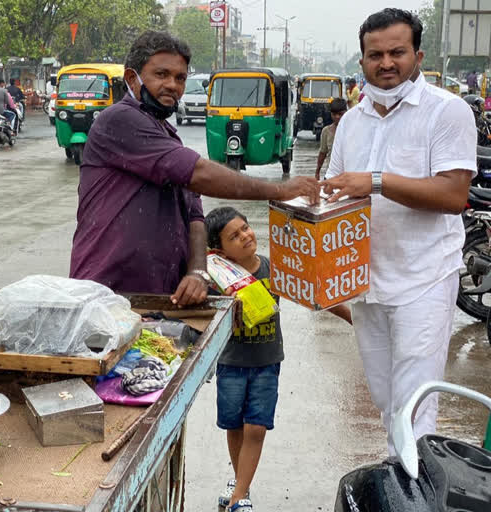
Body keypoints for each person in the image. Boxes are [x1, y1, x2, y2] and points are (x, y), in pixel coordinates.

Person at [69, 31, 319, 307]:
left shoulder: (168, 135)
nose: (172, 85)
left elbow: (195, 217)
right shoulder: (119, 119)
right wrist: (280, 190)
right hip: (108, 294)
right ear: (132, 79)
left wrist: (197, 272)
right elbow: (199, 175)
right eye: (161, 74)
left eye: (180, 78)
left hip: (159, 299)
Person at [323, 8, 476, 453]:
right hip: (367, 282)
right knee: (387, 401)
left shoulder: (447, 111)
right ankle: (402, 481)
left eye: (396, 52)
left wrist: (374, 181)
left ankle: (411, 491)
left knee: (414, 406)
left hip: (423, 279)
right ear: (362, 61)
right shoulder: (351, 122)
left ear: (418, 55)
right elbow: (335, 196)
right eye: (375, 55)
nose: (386, 63)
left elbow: (452, 195)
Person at [205, 207, 351, 512]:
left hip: (267, 362)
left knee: (256, 428)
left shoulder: (274, 270)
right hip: (230, 363)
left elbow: (313, 292)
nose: (245, 236)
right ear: (220, 251)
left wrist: (353, 318)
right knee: (234, 426)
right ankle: (239, 480)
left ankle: (239, 496)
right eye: (234, 236)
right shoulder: (217, 280)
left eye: (245, 228)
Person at [315, 98, 347, 180]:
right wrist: (317, 171)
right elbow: (323, 152)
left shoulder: (352, 130)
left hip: (348, 176)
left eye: (340, 114)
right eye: (334, 114)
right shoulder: (326, 131)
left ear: (346, 113)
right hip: (331, 174)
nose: (337, 117)